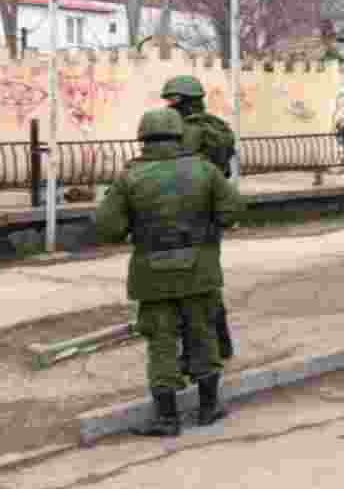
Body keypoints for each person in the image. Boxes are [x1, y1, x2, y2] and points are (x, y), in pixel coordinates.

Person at [95, 108, 244, 435]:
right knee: (203, 334)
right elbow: (233, 209)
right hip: (199, 270)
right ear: (180, 135)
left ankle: (166, 418)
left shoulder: (129, 177)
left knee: (160, 342)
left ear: (142, 138)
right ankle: (208, 408)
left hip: (152, 274)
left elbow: (107, 228)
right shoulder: (205, 170)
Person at [161, 75, 238, 363]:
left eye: (171, 99)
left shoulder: (186, 131)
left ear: (182, 101)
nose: (168, 104)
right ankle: (223, 343)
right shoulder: (216, 127)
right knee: (207, 280)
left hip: (185, 215)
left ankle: (195, 351)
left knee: (184, 285)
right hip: (210, 215)